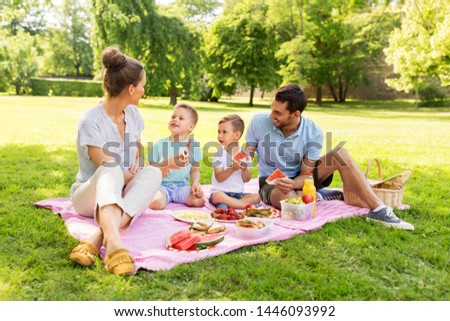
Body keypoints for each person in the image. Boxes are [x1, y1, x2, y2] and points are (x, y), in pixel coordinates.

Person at [245, 84, 414, 231]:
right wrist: (239, 164)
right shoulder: (258, 122)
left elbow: (306, 174)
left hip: (302, 179)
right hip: (270, 182)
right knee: (293, 206)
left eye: (278, 112)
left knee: (340, 154)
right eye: (271, 108)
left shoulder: (313, 132)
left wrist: (295, 183)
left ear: (295, 114)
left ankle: (379, 210)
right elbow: (246, 155)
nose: (270, 115)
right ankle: (320, 195)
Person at [68, 47, 176, 276]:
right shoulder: (90, 120)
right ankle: (115, 244)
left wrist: (145, 171)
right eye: (142, 85)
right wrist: (136, 174)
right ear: (130, 89)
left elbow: (138, 157)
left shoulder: (134, 115)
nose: (144, 90)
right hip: (90, 197)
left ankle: (99, 236)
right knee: (111, 169)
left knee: (154, 174)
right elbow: (108, 171)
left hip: (122, 192)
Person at [148, 103, 205, 209]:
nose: (175, 120)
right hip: (162, 186)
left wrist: (196, 183)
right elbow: (150, 168)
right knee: (155, 203)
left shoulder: (193, 146)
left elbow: (195, 170)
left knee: (199, 201)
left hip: (182, 187)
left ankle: (180, 198)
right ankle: (164, 198)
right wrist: (164, 166)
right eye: (173, 117)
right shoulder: (159, 144)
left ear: (190, 127)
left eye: (181, 118)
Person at [209, 114, 261, 209]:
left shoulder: (245, 154)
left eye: (224, 132)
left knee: (256, 197)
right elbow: (219, 178)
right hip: (221, 193)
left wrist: (245, 170)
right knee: (218, 197)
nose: (220, 135)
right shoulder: (219, 154)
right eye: (219, 132)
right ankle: (245, 206)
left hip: (237, 194)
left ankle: (232, 205)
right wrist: (232, 168)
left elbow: (247, 179)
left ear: (236, 135)